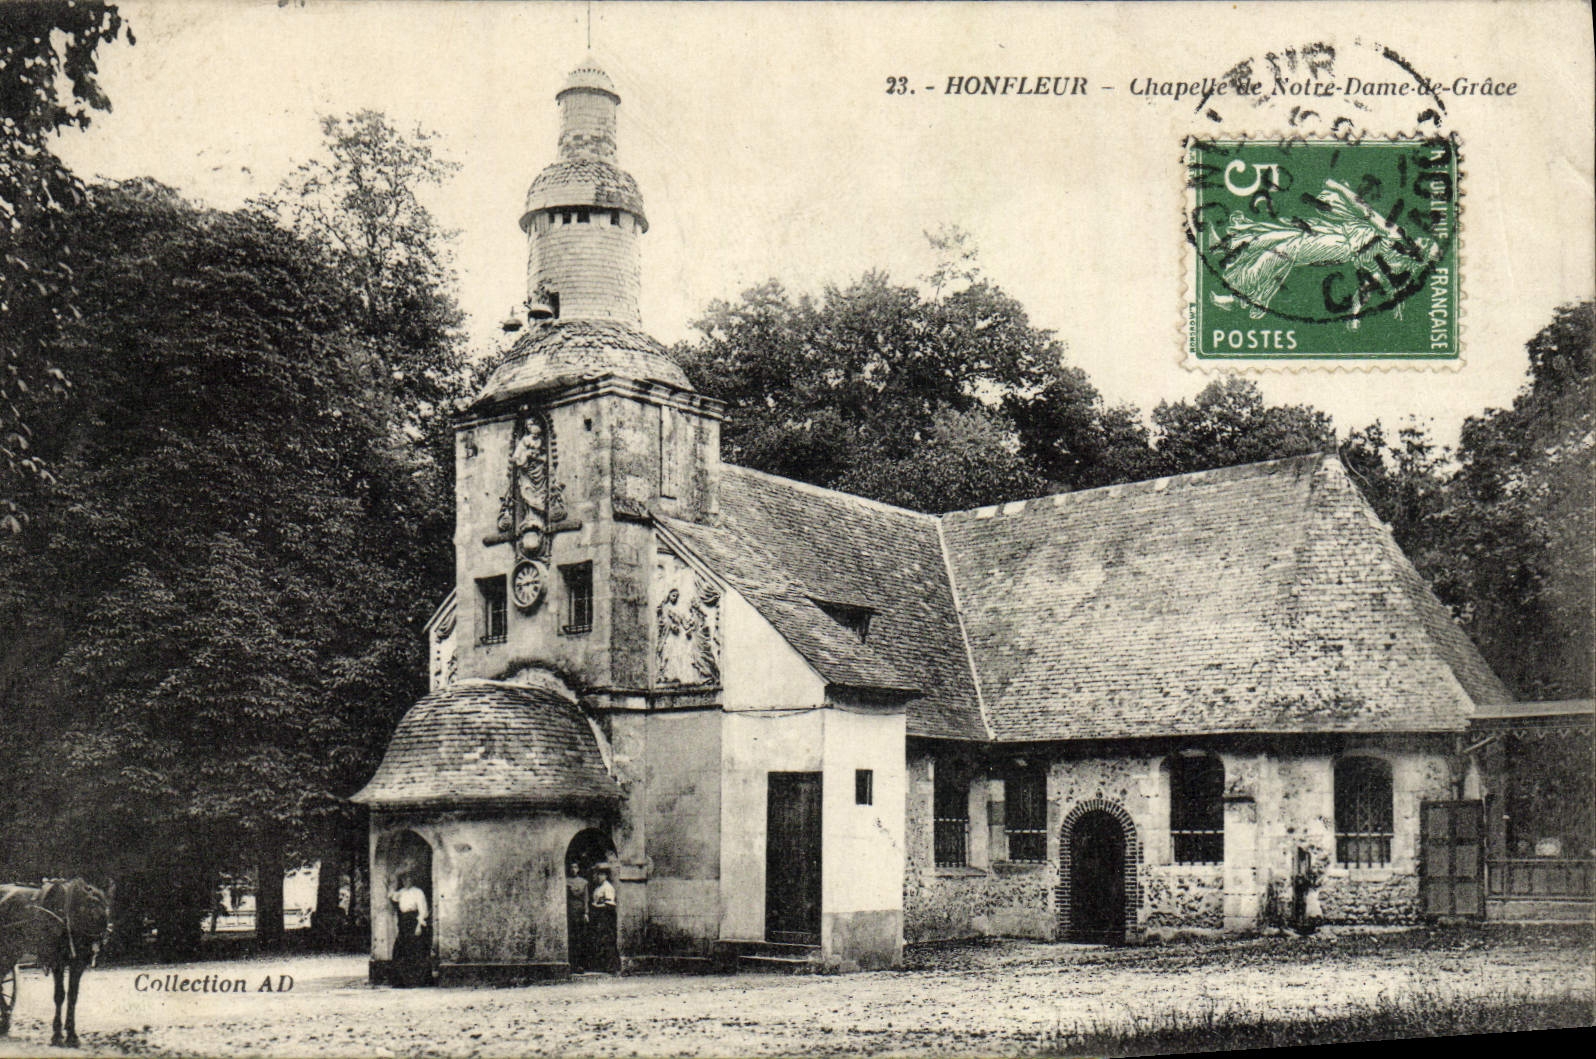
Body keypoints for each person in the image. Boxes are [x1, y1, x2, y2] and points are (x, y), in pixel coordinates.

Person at [387, 871, 431, 987]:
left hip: (413, 921)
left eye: (408, 879)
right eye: (404, 880)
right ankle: (402, 981)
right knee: (400, 950)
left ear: (412, 880)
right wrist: (391, 884)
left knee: (414, 951)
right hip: (403, 923)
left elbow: (423, 911)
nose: (406, 882)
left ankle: (415, 981)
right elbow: (392, 896)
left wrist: (419, 926)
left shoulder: (418, 892)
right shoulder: (401, 892)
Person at [588, 866, 618, 973]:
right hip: (598, 916)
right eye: (598, 875)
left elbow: (610, 904)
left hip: (606, 916)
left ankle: (611, 967)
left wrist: (596, 906)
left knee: (607, 940)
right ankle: (602, 965)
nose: (599, 877)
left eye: (601, 874)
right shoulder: (598, 888)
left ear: (605, 876)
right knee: (599, 940)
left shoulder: (608, 887)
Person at [565, 861, 590, 972]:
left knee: (581, 938)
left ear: (578, 869)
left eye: (575, 867)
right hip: (570, 913)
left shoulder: (584, 882)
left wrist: (586, 913)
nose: (573, 869)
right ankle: (572, 964)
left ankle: (581, 965)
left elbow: (586, 899)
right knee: (572, 938)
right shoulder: (566, 881)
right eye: (572, 867)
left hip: (580, 913)